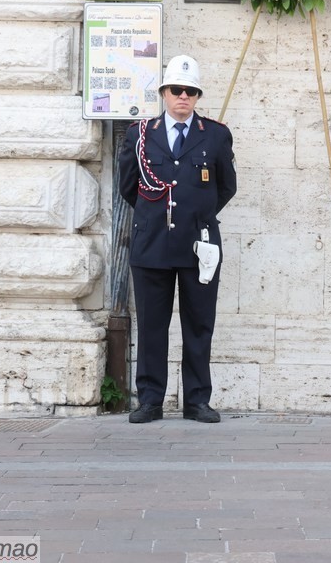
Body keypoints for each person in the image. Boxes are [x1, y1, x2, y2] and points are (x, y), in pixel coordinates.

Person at [118, 54, 237, 424]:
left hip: (198, 244)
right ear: (164, 93)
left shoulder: (215, 135)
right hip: (152, 243)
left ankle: (197, 400)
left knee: (199, 325)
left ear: (197, 96)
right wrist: (157, 214)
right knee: (153, 326)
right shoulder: (140, 135)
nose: (183, 97)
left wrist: (194, 214)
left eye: (190, 91)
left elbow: (226, 188)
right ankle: (151, 400)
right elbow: (128, 188)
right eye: (176, 90)